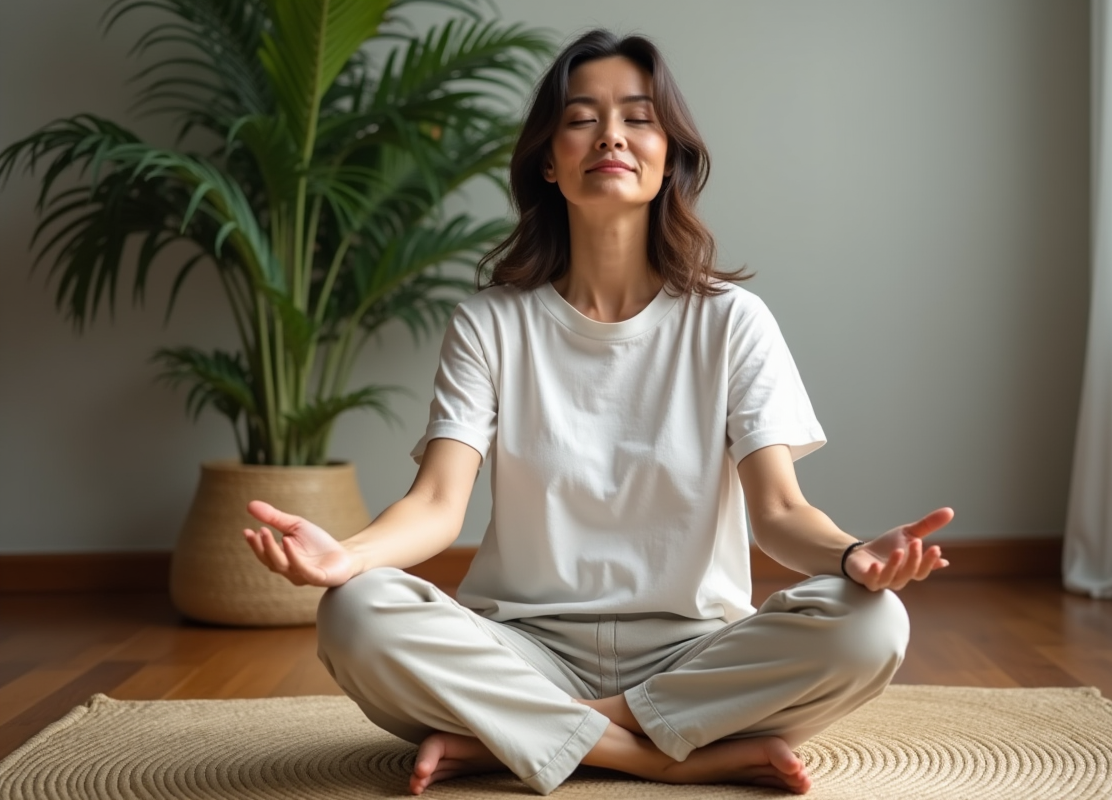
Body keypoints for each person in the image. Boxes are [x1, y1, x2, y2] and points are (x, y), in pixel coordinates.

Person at [242, 29, 953, 796]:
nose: (610, 134)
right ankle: (653, 749)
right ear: (549, 159)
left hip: (696, 650)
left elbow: (779, 513)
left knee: (874, 624)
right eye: (581, 118)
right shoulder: (490, 323)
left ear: (668, 154)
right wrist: (344, 559)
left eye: (638, 117)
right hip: (522, 646)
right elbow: (437, 506)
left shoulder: (731, 321)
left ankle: (519, 736)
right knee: (356, 613)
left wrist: (856, 558)